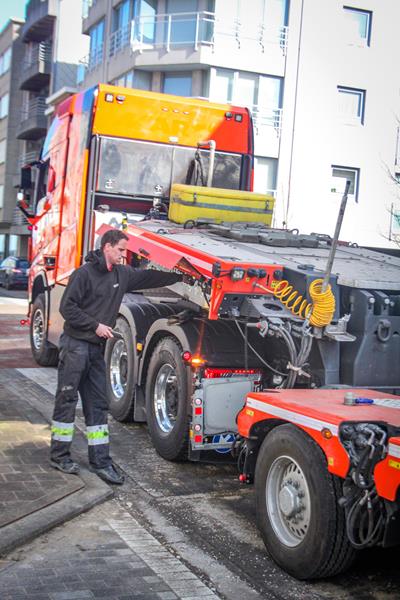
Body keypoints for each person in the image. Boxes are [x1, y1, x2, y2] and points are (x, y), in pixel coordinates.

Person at [50, 229, 183, 485]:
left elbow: (147, 277)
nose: (124, 255)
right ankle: (59, 455)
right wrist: (94, 326)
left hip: (95, 350)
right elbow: (67, 307)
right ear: (107, 247)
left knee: (98, 405)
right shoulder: (84, 274)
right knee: (67, 400)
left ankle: (100, 462)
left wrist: (180, 276)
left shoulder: (121, 274)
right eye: (121, 250)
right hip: (76, 345)